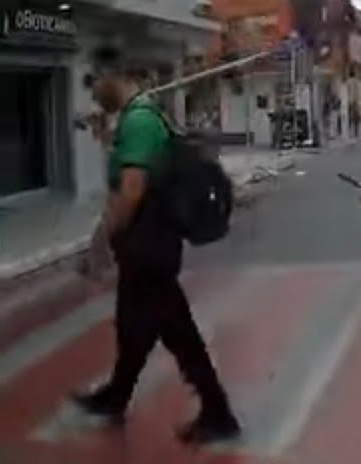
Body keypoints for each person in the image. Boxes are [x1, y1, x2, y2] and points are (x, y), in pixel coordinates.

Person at [72, 46, 240, 444]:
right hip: (148, 246)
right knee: (134, 326)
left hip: (149, 246)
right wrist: (106, 137)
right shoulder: (137, 119)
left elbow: (130, 191)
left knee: (176, 331)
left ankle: (218, 413)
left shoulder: (141, 121)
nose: (93, 93)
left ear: (110, 75)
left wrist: (99, 242)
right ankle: (116, 395)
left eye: (93, 83)